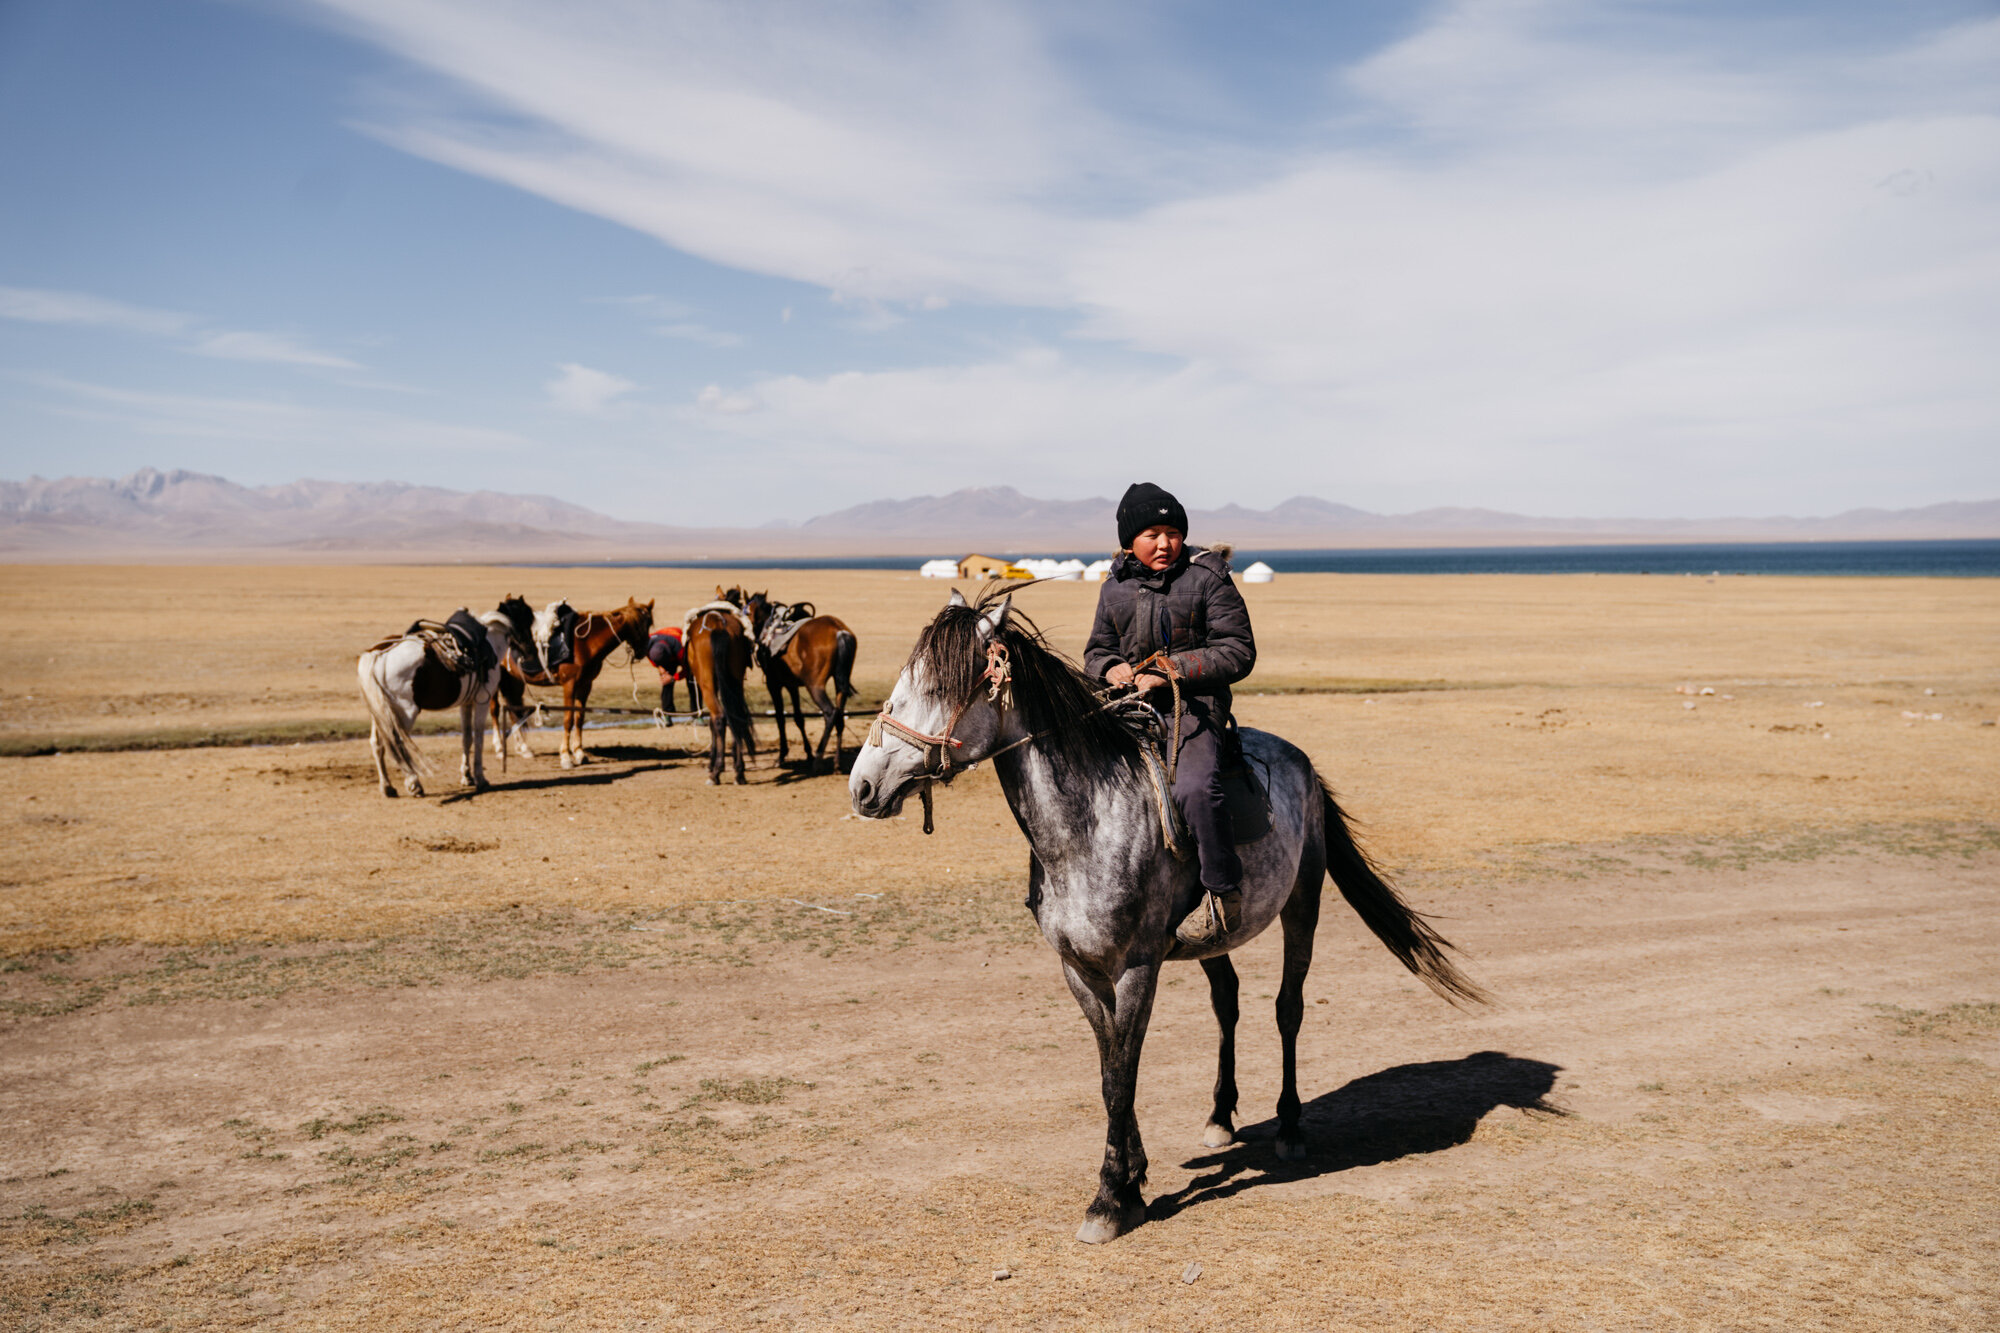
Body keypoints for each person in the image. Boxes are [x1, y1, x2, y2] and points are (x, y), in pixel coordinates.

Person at [1084, 482, 1257, 948]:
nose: (1164, 543)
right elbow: (1097, 650)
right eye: (1152, 533)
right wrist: (1109, 667)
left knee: (1195, 788)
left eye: (1172, 532)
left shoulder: (1207, 579)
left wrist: (1171, 670)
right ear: (1128, 541)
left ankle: (1222, 894)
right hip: (1130, 705)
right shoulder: (1114, 588)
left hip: (1194, 705)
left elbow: (1238, 650)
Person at [647, 623, 688, 717]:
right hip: (663, 648)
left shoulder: (680, 649)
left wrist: (673, 678)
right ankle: (667, 713)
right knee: (666, 681)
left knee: (691, 681)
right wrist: (660, 668)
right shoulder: (647, 643)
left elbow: (688, 669)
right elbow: (649, 656)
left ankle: (696, 714)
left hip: (679, 647)